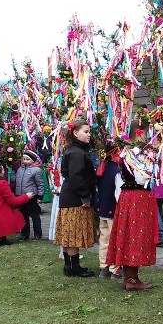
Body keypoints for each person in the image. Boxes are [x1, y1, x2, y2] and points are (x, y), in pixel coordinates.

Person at [107, 121, 158, 290]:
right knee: (135, 234)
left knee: (132, 234)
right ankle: (131, 279)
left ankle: (132, 277)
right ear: (140, 132)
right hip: (137, 197)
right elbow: (142, 177)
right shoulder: (137, 154)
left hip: (130, 197)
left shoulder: (127, 152)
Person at [53, 118, 96, 277]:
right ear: (75, 133)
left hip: (69, 197)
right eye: (86, 132)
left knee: (69, 233)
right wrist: (85, 197)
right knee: (72, 234)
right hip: (74, 198)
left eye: (89, 132)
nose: (89, 135)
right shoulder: (77, 153)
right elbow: (77, 177)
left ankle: (69, 266)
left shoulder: (72, 150)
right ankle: (74, 267)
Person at [0, 163, 33, 246]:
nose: (4, 171)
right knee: (17, 214)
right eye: (3, 170)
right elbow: (13, 201)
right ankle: (1, 238)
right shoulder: (2, 184)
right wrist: (26, 196)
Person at [95, 144, 122, 279]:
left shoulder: (102, 168)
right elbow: (118, 192)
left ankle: (103, 266)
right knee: (114, 238)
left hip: (103, 208)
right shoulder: (115, 171)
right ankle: (114, 268)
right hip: (112, 208)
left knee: (104, 237)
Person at [13, 150, 44, 240]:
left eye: (28, 159)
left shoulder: (36, 170)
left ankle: (38, 233)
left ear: (32, 160)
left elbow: (40, 184)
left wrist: (40, 196)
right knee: (23, 216)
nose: (25, 161)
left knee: (34, 215)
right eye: (24, 159)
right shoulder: (19, 169)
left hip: (31, 196)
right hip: (21, 196)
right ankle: (24, 233)